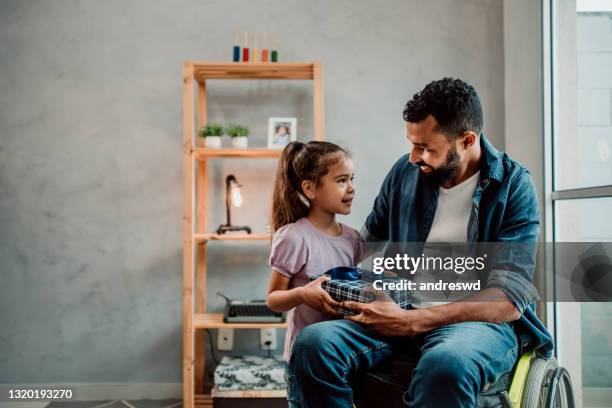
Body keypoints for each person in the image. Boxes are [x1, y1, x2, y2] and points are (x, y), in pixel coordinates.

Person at [288, 78, 553, 407]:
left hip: (472, 323)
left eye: (427, 148)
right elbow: (366, 244)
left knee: (446, 366)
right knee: (314, 343)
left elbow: (508, 300)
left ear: (467, 140)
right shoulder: (405, 172)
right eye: (412, 144)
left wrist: (413, 321)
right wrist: (316, 273)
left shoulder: (514, 186)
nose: (414, 157)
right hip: (400, 307)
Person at [265, 141, 361, 400]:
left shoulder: (353, 238)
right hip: (305, 363)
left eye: (352, 179)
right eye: (341, 180)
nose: (351, 188)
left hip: (340, 356)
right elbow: (273, 299)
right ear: (310, 188)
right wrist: (304, 294)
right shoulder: (294, 237)